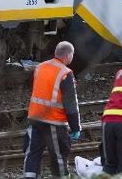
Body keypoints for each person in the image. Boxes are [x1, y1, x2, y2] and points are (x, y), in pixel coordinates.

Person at [23, 41, 81, 179]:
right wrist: (75, 127)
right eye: (72, 54)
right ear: (67, 55)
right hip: (54, 121)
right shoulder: (65, 73)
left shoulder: (40, 67)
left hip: (35, 118)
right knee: (59, 155)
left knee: (32, 152)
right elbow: (70, 103)